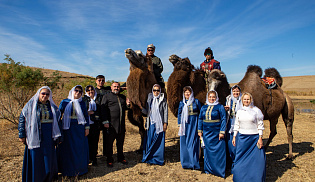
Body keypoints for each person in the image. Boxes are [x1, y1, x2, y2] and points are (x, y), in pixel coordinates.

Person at [18, 86, 61, 182]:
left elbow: (58, 121)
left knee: (48, 157)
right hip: (34, 135)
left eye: (47, 94)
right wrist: (22, 134)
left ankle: (48, 177)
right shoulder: (30, 105)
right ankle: (36, 178)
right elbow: (22, 119)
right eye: (43, 93)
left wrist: (59, 136)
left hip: (49, 135)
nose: (45, 96)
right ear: (39, 94)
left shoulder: (53, 107)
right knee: (36, 156)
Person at [232, 92, 266, 182]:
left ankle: (255, 178)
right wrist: (234, 136)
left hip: (254, 139)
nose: (246, 101)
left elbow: (260, 125)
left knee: (257, 162)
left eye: (248, 99)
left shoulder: (256, 110)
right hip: (242, 138)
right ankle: (241, 178)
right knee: (240, 159)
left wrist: (260, 137)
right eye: (244, 99)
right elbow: (236, 124)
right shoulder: (239, 111)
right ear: (242, 100)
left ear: (251, 100)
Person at [57, 85, 90, 176]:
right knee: (68, 149)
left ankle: (80, 169)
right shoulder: (64, 102)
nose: (78, 93)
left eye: (80, 91)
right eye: (76, 91)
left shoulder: (82, 103)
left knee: (79, 149)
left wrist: (87, 127)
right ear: (72, 91)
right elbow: (58, 115)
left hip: (79, 129)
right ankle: (67, 170)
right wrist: (58, 128)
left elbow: (86, 116)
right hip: (67, 129)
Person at [101, 82, 130, 167]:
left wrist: (128, 105)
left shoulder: (122, 97)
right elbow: (103, 109)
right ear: (111, 87)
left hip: (121, 125)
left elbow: (125, 108)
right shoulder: (106, 96)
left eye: (118, 87)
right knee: (109, 144)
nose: (116, 88)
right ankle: (109, 159)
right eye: (115, 86)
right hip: (111, 125)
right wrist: (105, 121)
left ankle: (121, 158)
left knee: (120, 143)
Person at [198, 90, 226, 177]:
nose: (211, 98)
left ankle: (218, 170)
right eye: (210, 97)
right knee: (207, 151)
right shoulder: (204, 107)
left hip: (216, 133)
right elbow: (200, 119)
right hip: (206, 133)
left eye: (213, 97)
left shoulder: (220, 107)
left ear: (216, 97)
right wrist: (199, 130)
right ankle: (208, 169)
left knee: (218, 152)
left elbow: (223, 119)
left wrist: (222, 132)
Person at [141, 84, 168, 165]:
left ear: (160, 91)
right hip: (151, 123)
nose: (156, 92)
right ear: (152, 91)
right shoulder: (149, 100)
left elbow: (165, 112)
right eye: (154, 90)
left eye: (158, 90)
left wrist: (165, 123)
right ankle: (149, 157)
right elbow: (147, 112)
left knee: (159, 141)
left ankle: (158, 159)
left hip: (160, 123)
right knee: (150, 140)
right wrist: (140, 108)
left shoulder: (163, 100)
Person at [177, 86, 202, 170]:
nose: (187, 93)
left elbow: (200, 113)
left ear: (191, 93)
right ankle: (186, 163)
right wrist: (179, 125)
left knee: (193, 142)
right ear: (184, 94)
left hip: (194, 123)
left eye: (189, 92)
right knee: (184, 143)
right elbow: (179, 114)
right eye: (185, 92)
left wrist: (200, 126)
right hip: (185, 125)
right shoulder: (182, 103)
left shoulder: (196, 101)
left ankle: (194, 163)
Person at [224, 85, 242, 172]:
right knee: (229, 144)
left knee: (237, 145)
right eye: (234, 91)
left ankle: (237, 163)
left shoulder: (242, 100)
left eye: (237, 91)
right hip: (229, 123)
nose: (235, 93)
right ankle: (230, 163)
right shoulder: (228, 99)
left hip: (239, 124)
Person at [82, 85, 102, 166]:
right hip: (86, 124)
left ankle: (94, 158)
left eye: (92, 90)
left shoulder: (99, 98)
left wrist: (94, 113)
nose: (90, 91)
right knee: (87, 142)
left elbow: (101, 110)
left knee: (95, 142)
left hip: (95, 124)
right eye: (88, 90)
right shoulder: (83, 99)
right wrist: (87, 113)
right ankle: (87, 158)